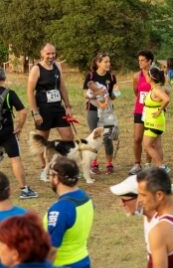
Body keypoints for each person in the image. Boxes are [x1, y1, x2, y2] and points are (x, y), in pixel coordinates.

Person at [46, 156, 94, 268]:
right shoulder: (86, 198)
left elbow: (52, 249)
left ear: (56, 178)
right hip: (82, 265)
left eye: (50, 175)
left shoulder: (60, 209)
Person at [26, 43, 75, 175]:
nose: (51, 56)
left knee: (68, 137)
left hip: (57, 107)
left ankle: (66, 166)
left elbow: (62, 87)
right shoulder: (36, 69)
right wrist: (35, 112)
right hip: (43, 108)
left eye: (53, 53)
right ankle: (44, 167)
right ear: (42, 54)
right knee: (42, 140)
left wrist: (68, 106)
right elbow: (30, 91)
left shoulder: (57, 66)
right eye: (48, 53)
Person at [0, 68, 37, 199]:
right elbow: (23, 111)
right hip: (7, 133)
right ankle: (24, 190)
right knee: (15, 159)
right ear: (4, 78)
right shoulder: (9, 94)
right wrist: (19, 127)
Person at [82, 52, 119, 175]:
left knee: (107, 137)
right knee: (94, 136)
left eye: (109, 61)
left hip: (107, 111)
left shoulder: (112, 77)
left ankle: (109, 164)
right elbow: (85, 95)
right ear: (98, 63)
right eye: (105, 62)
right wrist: (99, 103)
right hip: (92, 109)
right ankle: (94, 163)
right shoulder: (91, 76)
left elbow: (113, 96)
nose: (108, 64)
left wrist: (116, 93)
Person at [130, 49, 156, 176]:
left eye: (143, 60)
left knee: (149, 139)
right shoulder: (136, 76)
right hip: (140, 110)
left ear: (149, 61)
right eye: (139, 60)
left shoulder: (156, 74)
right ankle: (137, 164)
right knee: (137, 138)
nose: (140, 63)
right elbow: (136, 92)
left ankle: (148, 164)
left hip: (152, 111)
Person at [142, 66, 171, 171]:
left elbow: (166, 99)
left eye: (147, 74)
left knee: (147, 146)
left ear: (151, 77)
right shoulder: (154, 89)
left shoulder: (156, 90)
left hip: (153, 122)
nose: (146, 76)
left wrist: (159, 110)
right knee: (157, 146)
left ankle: (161, 166)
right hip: (154, 121)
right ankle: (160, 168)